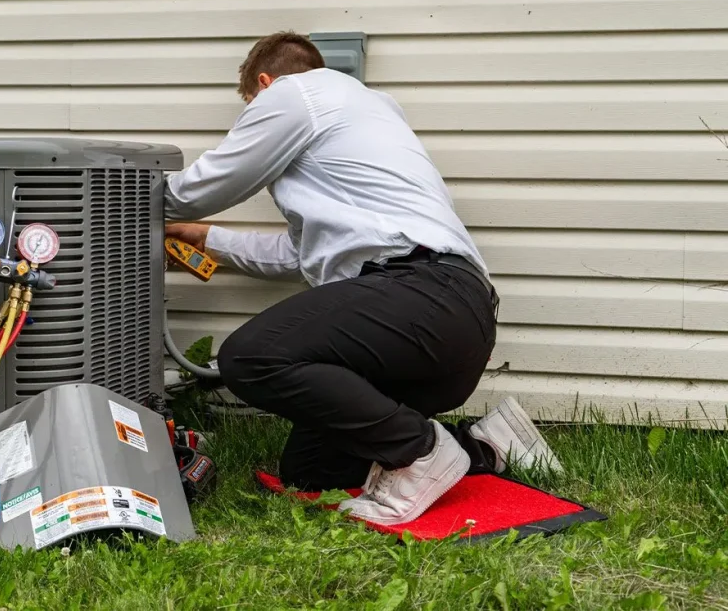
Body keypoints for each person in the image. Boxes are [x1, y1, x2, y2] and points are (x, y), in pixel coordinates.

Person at [164, 32, 561, 525]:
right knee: (312, 471)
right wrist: (207, 240)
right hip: (458, 319)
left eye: (251, 106)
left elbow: (204, 187)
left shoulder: (295, 93)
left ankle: (419, 449)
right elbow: (300, 255)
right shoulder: (365, 120)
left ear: (264, 84)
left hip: (420, 294)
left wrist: (121, 190)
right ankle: (487, 445)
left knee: (249, 357)